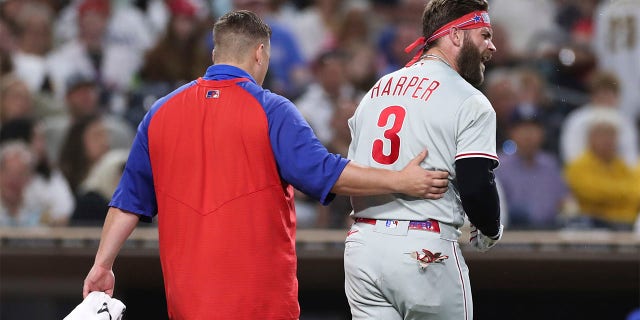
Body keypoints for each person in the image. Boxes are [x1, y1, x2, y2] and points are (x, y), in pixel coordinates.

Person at [81, 10, 449, 320]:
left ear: (216, 54)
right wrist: (402, 180)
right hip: (261, 306)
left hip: (188, 305)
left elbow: (127, 201)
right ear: (260, 54)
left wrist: (102, 265)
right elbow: (327, 173)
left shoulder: (159, 113)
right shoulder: (271, 109)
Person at [344, 1, 502, 319]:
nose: (492, 46)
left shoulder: (378, 89)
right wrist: (489, 227)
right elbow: (475, 185)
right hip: (424, 248)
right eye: (484, 34)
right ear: (455, 35)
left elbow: (351, 174)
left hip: (363, 246)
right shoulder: (470, 99)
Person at [564, 109, 640, 230]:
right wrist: (623, 193)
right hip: (594, 227)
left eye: (611, 135)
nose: (607, 140)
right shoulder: (577, 166)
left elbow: (637, 194)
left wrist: (609, 192)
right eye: (601, 134)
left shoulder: (623, 166)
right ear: (590, 138)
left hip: (628, 225)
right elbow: (591, 193)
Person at [495, 108, 570, 229]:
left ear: (543, 133)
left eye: (533, 128)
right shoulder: (498, 164)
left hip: (549, 233)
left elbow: (564, 203)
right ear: (511, 132)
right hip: (510, 234)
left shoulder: (551, 164)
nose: (528, 134)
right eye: (522, 129)